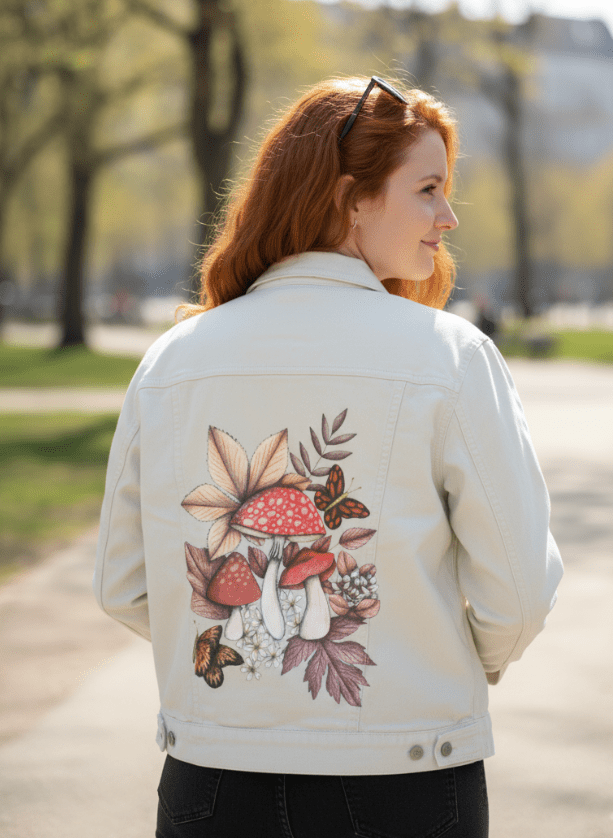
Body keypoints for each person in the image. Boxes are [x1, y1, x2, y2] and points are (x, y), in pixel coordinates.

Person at [94, 76, 563, 838]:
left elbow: (121, 584)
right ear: (351, 197)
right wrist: (434, 652)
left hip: (212, 776)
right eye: (429, 189)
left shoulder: (171, 361)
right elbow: (518, 592)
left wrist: (250, 647)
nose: (448, 218)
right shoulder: (448, 356)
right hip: (404, 776)